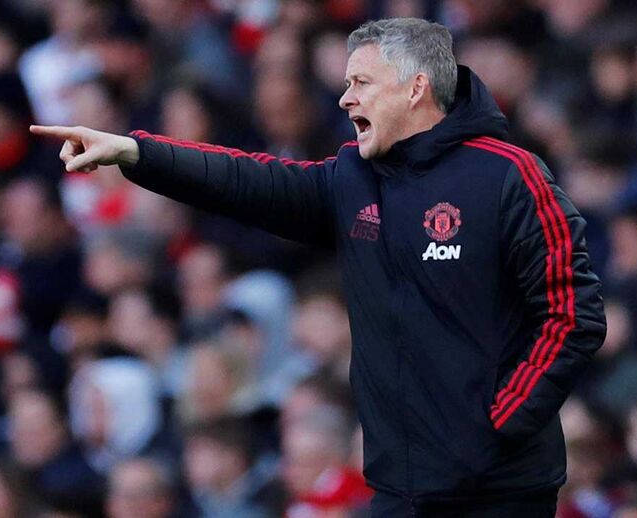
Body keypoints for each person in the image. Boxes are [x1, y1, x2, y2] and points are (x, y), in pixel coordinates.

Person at [32, 17, 606, 517]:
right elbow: (246, 180)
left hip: (500, 489)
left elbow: (573, 313)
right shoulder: (353, 177)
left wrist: (499, 423)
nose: (344, 100)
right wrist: (136, 152)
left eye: (361, 83)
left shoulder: (508, 175)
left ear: (415, 88)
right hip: (400, 487)